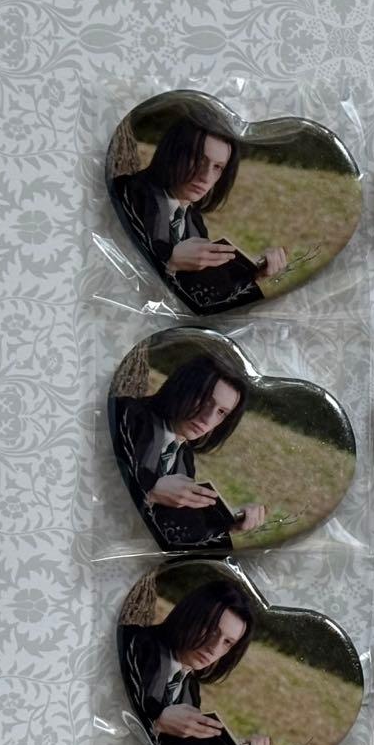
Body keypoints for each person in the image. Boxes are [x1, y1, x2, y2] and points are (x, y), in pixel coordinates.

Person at [111, 116, 287, 313]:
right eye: (198, 160)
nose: (205, 177)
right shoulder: (128, 192)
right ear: (173, 153)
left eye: (217, 167)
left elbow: (196, 294)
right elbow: (113, 270)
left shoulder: (194, 221)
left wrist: (250, 276)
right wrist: (169, 262)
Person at [109, 353, 266, 551]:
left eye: (221, 412)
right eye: (205, 400)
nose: (208, 418)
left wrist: (225, 526)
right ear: (183, 388)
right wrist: (150, 491)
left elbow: (166, 533)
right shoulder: (126, 414)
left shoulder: (184, 459)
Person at [118, 579, 271, 745]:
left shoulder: (190, 689)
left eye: (227, 642)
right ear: (191, 615)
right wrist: (157, 722)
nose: (214, 648)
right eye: (211, 629)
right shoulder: (133, 644)